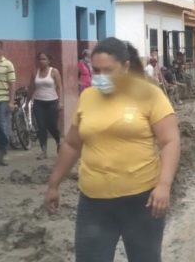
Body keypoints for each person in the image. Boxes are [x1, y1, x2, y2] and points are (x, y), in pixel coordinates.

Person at [44, 37, 180, 262]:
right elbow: (72, 144)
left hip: (142, 202)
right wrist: (53, 184)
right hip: (94, 203)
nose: (100, 77)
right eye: (96, 71)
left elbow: (170, 141)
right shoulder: (88, 97)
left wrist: (164, 185)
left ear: (125, 67)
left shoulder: (150, 95)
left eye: (108, 71)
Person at [29, 52, 63, 159]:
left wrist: (60, 102)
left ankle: (58, 142)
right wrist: (28, 102)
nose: (41, 61)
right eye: (39, 59)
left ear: (49, 60)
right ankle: (43, 151)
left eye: (44, 59)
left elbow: (59, 87)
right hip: (38, 102)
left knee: (51, 126)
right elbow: (31, 87)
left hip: (52, 102)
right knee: (41, 127)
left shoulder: (54, 71)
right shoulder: (35, 72)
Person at [0, 40, 15, 166]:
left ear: (2, 50)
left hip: (3, 99)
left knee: (2, 127)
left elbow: (12, 83)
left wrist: (11, 101)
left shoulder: (8, 64)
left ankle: (3, 151)